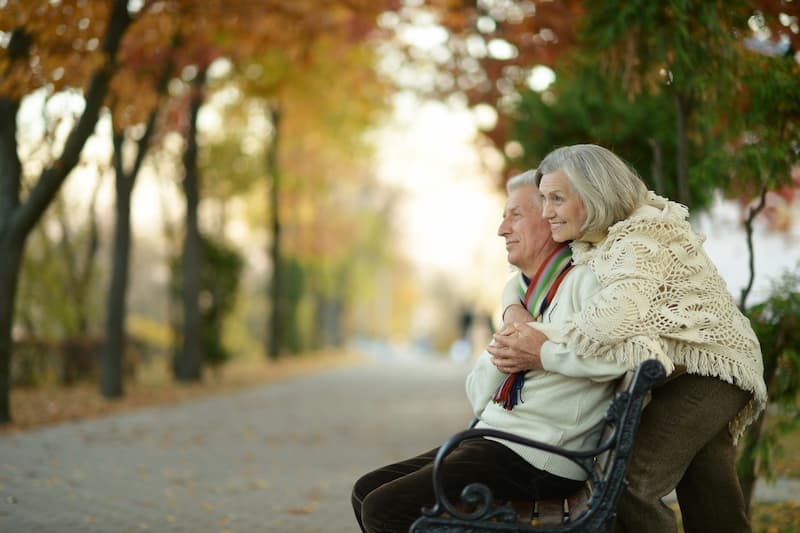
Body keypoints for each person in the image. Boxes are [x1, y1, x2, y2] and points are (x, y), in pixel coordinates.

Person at [490, 144, 767, 533]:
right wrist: (513, 311)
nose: (546, 210)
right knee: (710, 492)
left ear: (592, 193)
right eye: (543, 199)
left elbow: (610, 321)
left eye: (557, 198)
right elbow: (527, 277)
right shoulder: (595, 238)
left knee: (633, 485)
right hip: (681, 369)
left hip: (712, 368)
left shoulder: (640, 241)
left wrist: (537, 343)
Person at [351, 170, 628, 533]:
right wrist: (511, 320)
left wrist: (538, 350)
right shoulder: (527, 293)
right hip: (498, 440)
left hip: (539, 456)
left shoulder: (582, 283)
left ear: (547, 219)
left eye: (515, 215)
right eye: (503, 216)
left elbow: (612, 357)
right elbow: (478, 394)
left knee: (384, 509)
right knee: (365, 491)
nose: (502, 229)